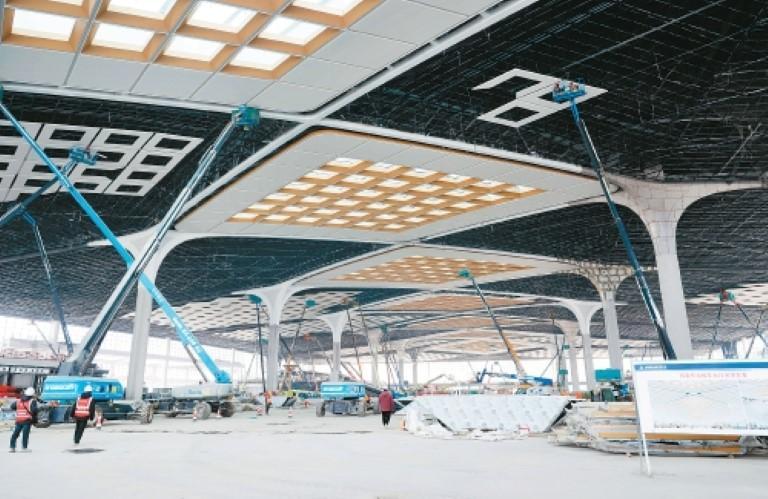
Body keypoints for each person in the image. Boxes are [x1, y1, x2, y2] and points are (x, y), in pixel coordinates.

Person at [9, 387, 37, 453]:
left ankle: (12, 448)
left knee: (15, 434)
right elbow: (34, 411)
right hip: (27, 420)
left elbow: (12, 407)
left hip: (19, 420)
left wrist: (19, 410)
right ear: (32, 394)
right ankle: (24, 448)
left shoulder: (18, 400)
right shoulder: (32, 401)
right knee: (25, 434)